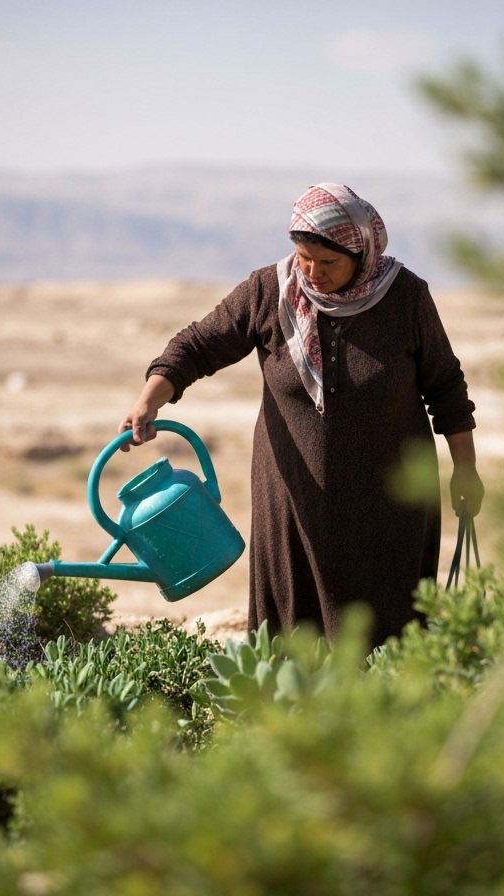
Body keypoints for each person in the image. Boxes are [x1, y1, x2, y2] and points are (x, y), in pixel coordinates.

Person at [121, 183, 483, 647]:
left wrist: (466, 470)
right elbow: (196, 346)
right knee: (291, 633)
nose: (313, 272)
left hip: (391, 506)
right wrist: (150, 397)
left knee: (388, 632)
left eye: (329, 262)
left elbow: (447, 389)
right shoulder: (268, 291)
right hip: (291, 499)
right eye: (305, 256)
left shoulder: (406, 298)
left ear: (362, 251)